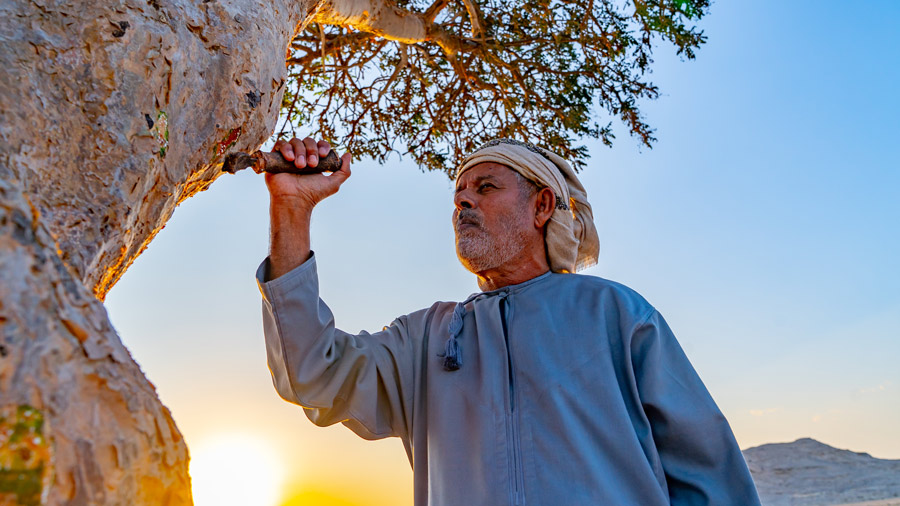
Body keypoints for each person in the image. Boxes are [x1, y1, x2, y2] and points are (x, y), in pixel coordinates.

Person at [255, 136, 761, 505]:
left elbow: (708, 475)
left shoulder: (615, 314)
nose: (462, 200)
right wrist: (292, 213)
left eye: (486, 186)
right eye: (459, 193)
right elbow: (312, 373)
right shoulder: (427, 337)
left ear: (542, 205)